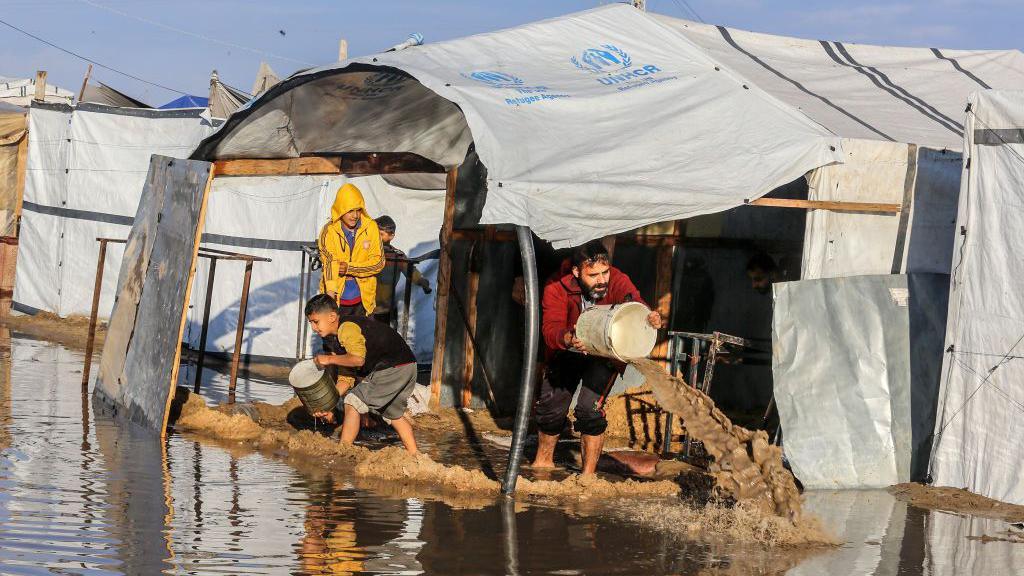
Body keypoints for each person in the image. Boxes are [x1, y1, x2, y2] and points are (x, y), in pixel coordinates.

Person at [532, 240, 662, 474]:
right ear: (576, 272)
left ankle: (587, 476)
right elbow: (550, 330)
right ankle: (543, 464)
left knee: (589, 410)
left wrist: (649, 317)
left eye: (605, 272)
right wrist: (568, 338)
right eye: (593, 275)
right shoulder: (555, 287)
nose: (602, 280)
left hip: (604, 353)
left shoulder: (618, 279)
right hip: (567, 350)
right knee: (551, 408)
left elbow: (634, 302)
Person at [303, 294, 419, 453]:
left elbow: (358, 360)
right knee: (393, 415)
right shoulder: (338, 340)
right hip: (406, 366)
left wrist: (329, 360)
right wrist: (327, 405)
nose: (314, 328)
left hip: (393, 367)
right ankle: (416, 456)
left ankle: (342, 452)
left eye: (316, 322)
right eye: (310, 322)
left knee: (352, 401)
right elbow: (346, 380)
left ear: (331, 316)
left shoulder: (347, 328)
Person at [317, 183, 385, 317]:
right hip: (337, 301)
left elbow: (378, 263)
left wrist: (350, 268)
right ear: (340, 209)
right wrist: (330, 299)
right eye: (350, 210)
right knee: (335, 337)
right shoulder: (329, 231)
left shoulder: (371, 227)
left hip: (363, 301)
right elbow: (330, 263)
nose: (355, 215)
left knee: (359, 337)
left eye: (358, 210)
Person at [372, 215, 432, 325]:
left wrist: (422, 281)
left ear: (391, 236)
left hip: (385, 310)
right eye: (375, 233)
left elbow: (410, 271)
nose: (377, 237)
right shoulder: (366, 252)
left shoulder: (397, 256)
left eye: (381, 234)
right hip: (365, 308)